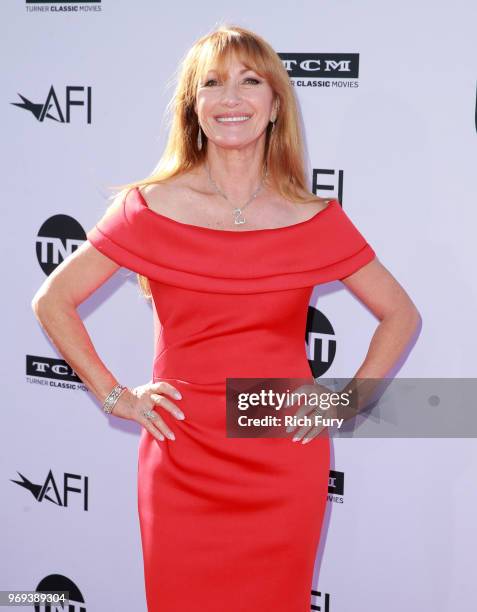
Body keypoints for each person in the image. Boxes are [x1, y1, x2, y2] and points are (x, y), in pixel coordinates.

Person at [31, 24, 420, 612]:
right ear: (194, 106)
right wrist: (117, 397)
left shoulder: (311, 217)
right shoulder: (148, 207)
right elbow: (52, 301)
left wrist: (346, 399)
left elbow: (400, 314)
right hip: (180, 454)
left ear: (274, 105)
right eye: (212, 83)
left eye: (249, 81)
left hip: (280, 455)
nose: (230, 98)